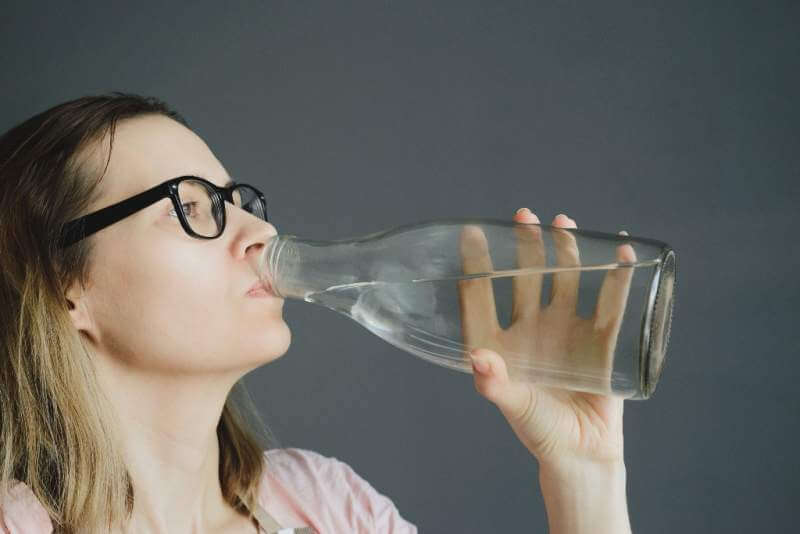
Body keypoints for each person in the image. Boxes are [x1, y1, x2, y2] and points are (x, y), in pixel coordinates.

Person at [0, 93, 632, 533]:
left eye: (237, 199)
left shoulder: (327, 507)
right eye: (191, 207)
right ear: (66, 286)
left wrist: (582, 476)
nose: (259, 231)